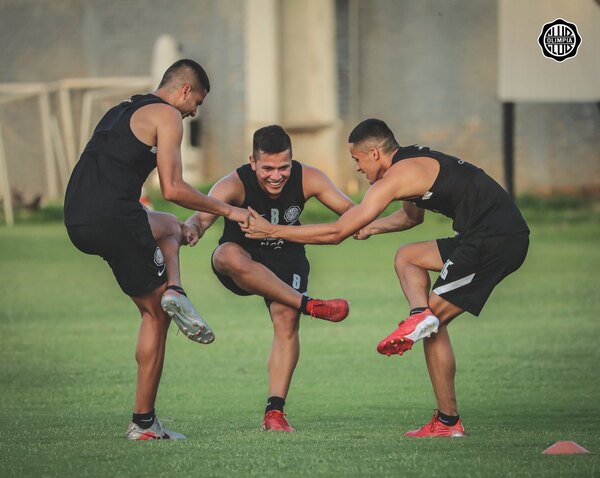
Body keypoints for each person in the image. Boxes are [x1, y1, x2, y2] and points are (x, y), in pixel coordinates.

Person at [244, 118, 530, 437]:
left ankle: (447, 421)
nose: (358, 168)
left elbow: (338, 232)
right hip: (486, 235)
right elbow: (412, 217)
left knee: (435, 324)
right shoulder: (411, 160)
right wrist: (371, 227)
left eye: (357, 160)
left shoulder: (394, 178)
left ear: (375, 154)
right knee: (408, 257)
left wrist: (271, 230)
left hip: (495, 239)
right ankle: (419, 317)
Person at [64, 59, 249, 440]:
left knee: (168, 226)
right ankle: (144, 424)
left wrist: (186, 225)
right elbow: (174, 187)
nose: (194, 111)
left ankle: (177, 290)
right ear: (184, 90)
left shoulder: (122, 108)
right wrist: (228, 209)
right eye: (197, 102)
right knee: (154, 316)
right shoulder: (168, 116)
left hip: (76, 217)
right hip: (115, 216)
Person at [184, 125, 353, 432]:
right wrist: (191, 229)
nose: (276, 176)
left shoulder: (310, 178)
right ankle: (309, 304)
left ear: (292, 161)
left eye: (283, 167)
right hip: (243, 263)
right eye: (268, 168)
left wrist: (385, 213)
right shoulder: (233, 183)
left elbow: (353, 213)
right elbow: (201, 217)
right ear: (253, 162)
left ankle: (274, 413)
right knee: (224, 255)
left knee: (286, 318)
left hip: (287, 257)